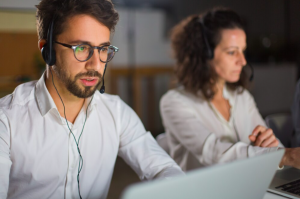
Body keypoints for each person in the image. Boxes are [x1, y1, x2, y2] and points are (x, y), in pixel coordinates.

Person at [0, 0, 184, 198]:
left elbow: (164, 170)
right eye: (81, 48)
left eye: (103, 49)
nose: (96, 64)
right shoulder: (7, 120)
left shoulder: (116, 112)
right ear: (48, 51)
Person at [160, 7, 300, 171]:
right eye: (232, 52)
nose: (242, 61)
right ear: (205, 54)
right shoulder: (174, 102)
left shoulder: (241, 97)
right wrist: (282, 155)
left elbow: (276, 150)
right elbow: (213, 153)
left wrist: (270, 147)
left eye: (243, 51)